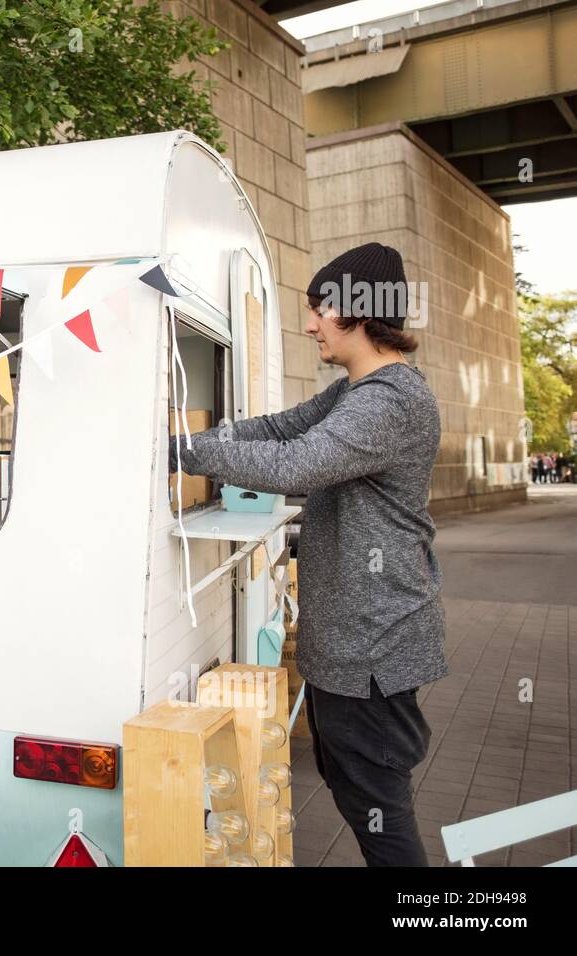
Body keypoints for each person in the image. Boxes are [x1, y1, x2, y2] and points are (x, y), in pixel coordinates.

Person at [172, 242, 446, 866]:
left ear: (356, 309)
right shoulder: (356, 390)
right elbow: (279, 429)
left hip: (373, 646)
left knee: (379, 810)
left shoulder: (390, 400)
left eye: (320, 307)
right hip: (354, 642)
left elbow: (297, 463)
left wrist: (180, 454)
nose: (310, 322)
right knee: (358, 791)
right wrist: (192, 436)